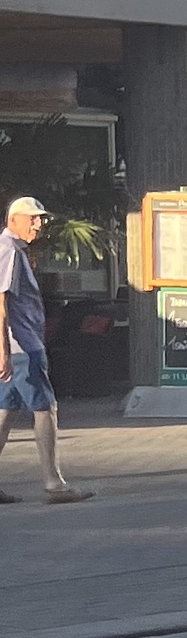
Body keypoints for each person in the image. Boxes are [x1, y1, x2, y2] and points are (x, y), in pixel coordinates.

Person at [0, 194, 88, 504]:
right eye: (32, 218)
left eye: (40, 218)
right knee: (45, 409)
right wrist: (4, 351)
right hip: (22, 346)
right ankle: (54, 483)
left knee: (6, 412)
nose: (39, 224)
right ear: (14, 221)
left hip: (16, 346)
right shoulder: (8, 250)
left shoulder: (15, 251)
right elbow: (1, 302)